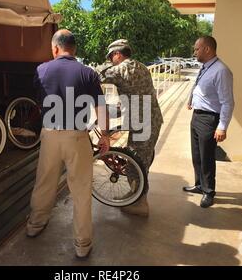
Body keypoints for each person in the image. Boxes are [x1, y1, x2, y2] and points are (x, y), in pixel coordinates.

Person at [26, 29, 110, 259]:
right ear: (75, 49)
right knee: (81, 190)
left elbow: (40, 99)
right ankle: (82, 244)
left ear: (55, 48)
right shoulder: (89, 73)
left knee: (44, 183)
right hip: (77, 138)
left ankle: (35, 225)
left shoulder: (41, 69)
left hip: (50, 136)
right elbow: (100, 107)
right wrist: (105, 136)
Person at [96, 39, 163, 217]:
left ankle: (140, 204)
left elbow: (96, 75)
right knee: (141, 160)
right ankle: (135, 195)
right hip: (150, 120)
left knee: (137, 164)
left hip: (143, 124)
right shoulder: (140, 66)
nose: (111, 60)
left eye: (111, 57)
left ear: (118, 54)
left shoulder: (122, 68)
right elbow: (135, 92)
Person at [184, 36, 235, 208]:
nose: (194, 52)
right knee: (197, 155)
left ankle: (208, 191)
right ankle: (199, 185)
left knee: (207, 157)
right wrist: (191, 99)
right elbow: (200, 87)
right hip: (197, 116)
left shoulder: (221, 71)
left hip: (209, 119)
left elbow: (227, 102)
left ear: (207, 49)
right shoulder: (206, 68)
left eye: (197, 49)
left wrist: (222, 127)